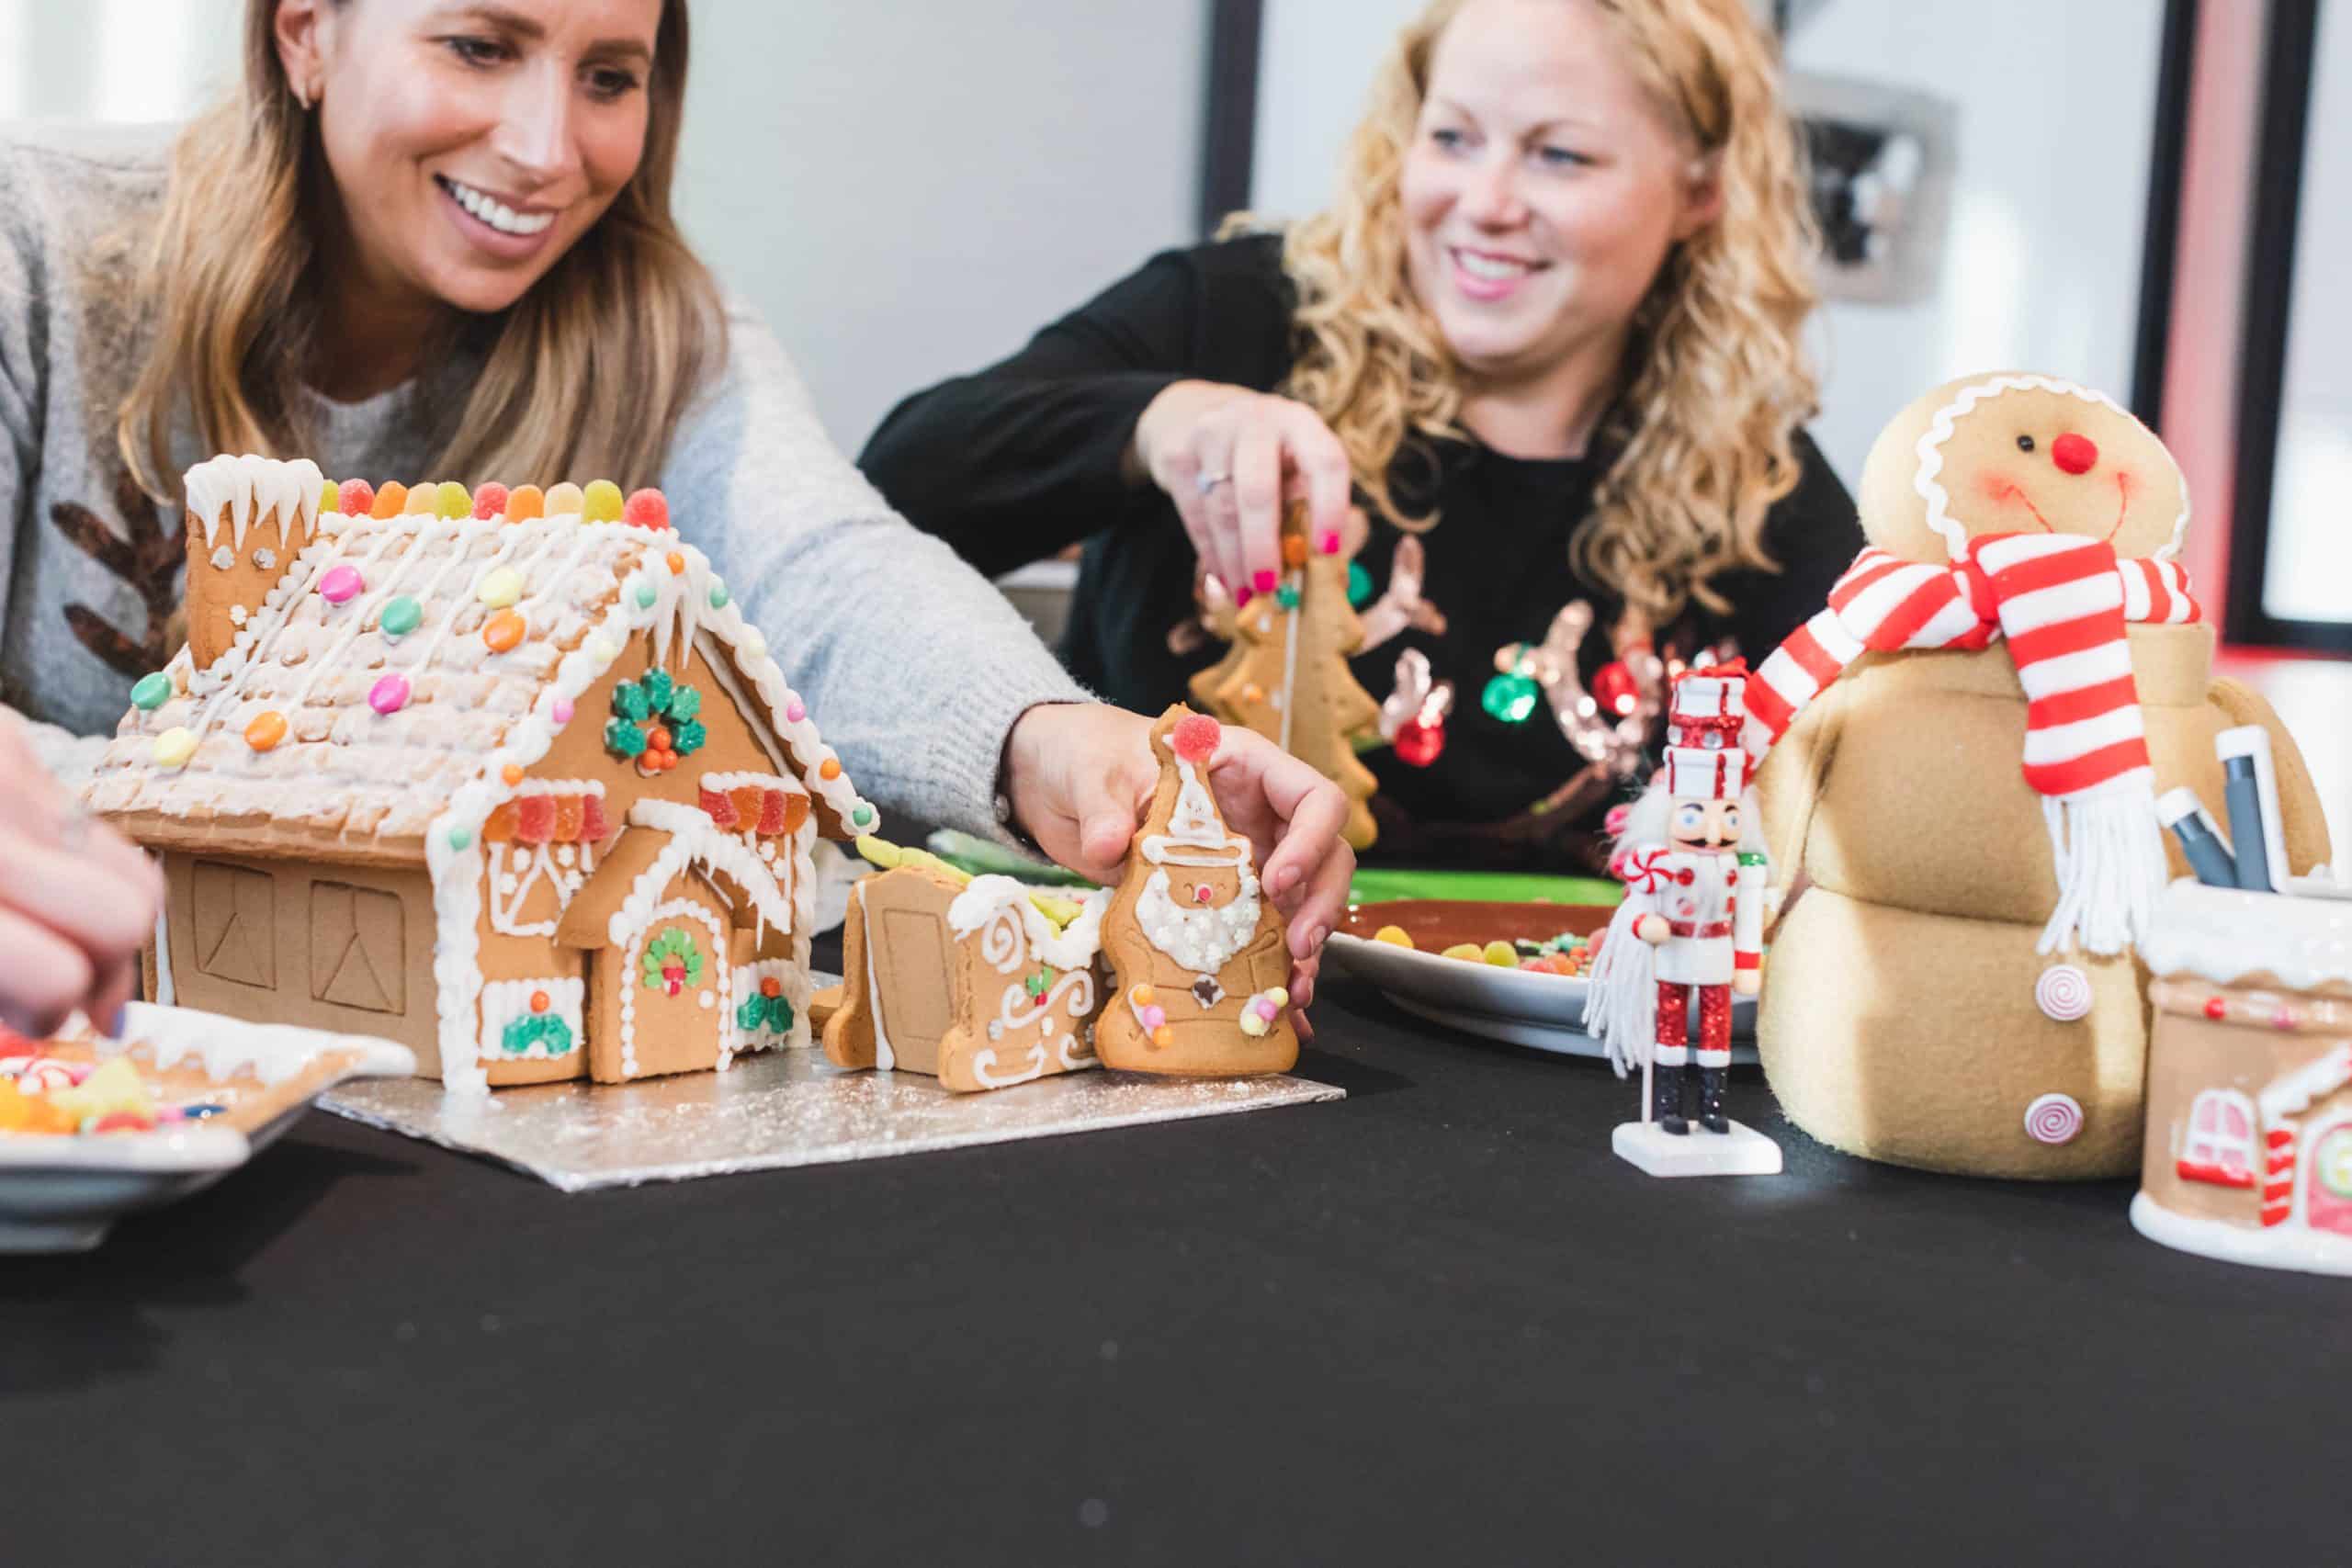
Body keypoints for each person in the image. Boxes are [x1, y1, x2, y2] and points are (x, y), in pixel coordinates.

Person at [0, 0, 1351, 1039]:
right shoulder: (42, 241)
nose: (545, 150)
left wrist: (1044, 740)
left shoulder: (661, 332)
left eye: (609, 77)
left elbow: (826, 571)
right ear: (305, 32)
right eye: (479, 46)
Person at [863, 0, 1863, 874]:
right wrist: (1158, 421)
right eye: (1454, 137)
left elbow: (1864, 784)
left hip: (1560, 1071)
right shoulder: (1240, 316)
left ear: (1701, 192)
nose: (1486, 203)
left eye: (1560, 155)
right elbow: (889, 495)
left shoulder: (1750, 476)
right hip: (1159, 1010)